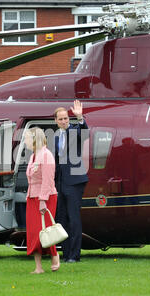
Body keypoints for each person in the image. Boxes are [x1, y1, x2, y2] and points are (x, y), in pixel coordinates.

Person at [54, 100, 89, 263]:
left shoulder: (74, 131)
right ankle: (66, 253)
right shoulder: (55, 137)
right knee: (62, 219)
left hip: (74, 182)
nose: (64, 121)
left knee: (74, 218)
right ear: (56, 121)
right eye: (61, 119)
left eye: (66, 118)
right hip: (60, 183)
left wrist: (80, 117)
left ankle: (75, 255)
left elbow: (84, 131)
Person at [24, 127, 60, 273]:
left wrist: (43, 200)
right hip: (32, 197)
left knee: (45, 230)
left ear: (34, 139)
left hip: (45, 197)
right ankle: (38, 267)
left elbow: (48, 180)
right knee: (34, 233)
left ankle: (54, 254)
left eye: (26, 138)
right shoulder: (33, 156)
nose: (25, 141)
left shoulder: (46, 155)